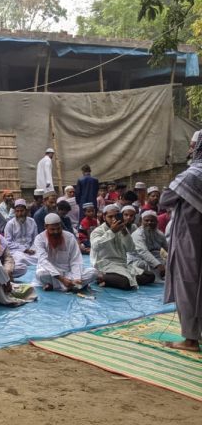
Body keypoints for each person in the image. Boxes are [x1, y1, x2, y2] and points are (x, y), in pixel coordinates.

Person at [160, 138, 202, 351]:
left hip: (190, 241)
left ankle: (190, 339)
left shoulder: (190, 176)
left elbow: (165, 200)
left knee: (188, 286)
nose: (189, 150)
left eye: (192, 146)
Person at [91, 205, 154, 290]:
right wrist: (112, 232)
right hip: (105, 265)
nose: (113, 219)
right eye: (110, 217)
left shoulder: (122, 229)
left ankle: (113, 280)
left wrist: (124, 233)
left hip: (122, 264)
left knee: (150, 276)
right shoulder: (98, 231)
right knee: (125, 283)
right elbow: (95, 246)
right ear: (104, 217)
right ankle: (101, 277)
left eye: (116, 216)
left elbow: (130, 248)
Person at [33, 213, 98, 292]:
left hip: (69, 272)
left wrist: (76, 278)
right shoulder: (40, 239)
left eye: (58, 228)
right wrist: (62, 279)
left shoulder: (69, 237)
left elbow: (76, 259)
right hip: (51, 273)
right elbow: (43, 261)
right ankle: (73, 286)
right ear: (46, 227)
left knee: (93, 272)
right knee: (41, 274)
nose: (56, 232)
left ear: (61, 226)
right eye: (52, 229)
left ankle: (56, 286)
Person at [128, 211, 167, 282]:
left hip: (155, 260)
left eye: (152, 221)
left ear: (157, 222)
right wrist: (158, 265)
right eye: (146, 220)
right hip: (137, 260)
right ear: (141, 221)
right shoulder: (137, 234)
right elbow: (143, 252)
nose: (149, 223)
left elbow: (168, 249)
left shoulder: (160, 234)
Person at [3, 199, 38, 267]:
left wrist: (33, 249)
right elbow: (7, 242)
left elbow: (35, 239)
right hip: (17, 251)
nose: (19, 213)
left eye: (22, 211)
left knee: (41, 256)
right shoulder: (10, 224)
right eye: (17, 211)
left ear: (26, 211)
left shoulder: (32, 222)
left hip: (31, 250)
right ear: (14, 212)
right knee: (21, 259)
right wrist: (24, 249)